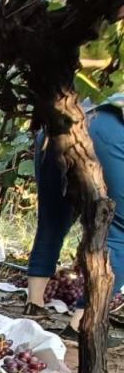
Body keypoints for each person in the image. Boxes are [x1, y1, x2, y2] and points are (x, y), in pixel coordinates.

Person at [27, 94, 124, 334]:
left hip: (61, 122)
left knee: (51, 221)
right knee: (119, 229)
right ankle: (80, 324)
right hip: (109, 131)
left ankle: (34, 306)